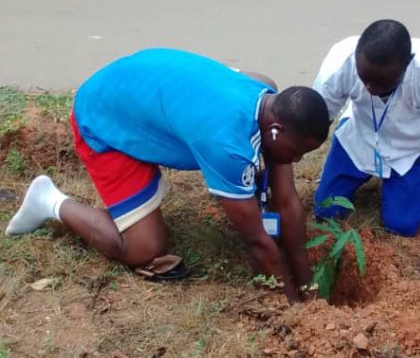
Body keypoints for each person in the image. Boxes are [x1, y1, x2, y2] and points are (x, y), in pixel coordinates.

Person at [5, 49, 330, 303]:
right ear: (275, 128)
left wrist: (308, 284)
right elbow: (258, 243)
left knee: (271, 163)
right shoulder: (227, 146)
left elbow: (286, 202)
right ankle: (49, 202)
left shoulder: (265, 91)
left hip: (138, 90)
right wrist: (294, 310)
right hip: (104, 119)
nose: (298, 160)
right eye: (298, 151)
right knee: (143, 249)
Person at [313, 20, 420, 281]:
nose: (371, 89)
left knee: (402, 226)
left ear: (407, 65)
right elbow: (313, 121)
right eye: (365, 81)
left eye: (381, 83)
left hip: (409, 152)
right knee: (325, 211)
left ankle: (394, 186)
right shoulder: (341, 62)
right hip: (357, 142)